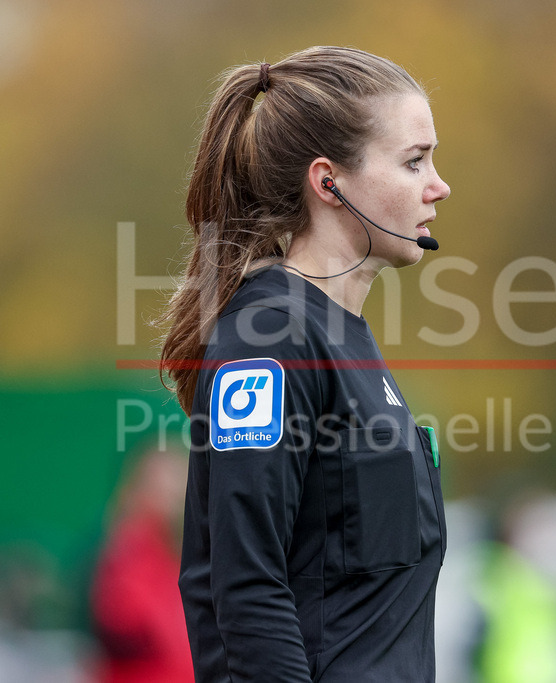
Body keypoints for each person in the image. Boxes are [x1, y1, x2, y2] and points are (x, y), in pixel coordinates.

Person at [159, 46, 450, 681]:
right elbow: (246, 591)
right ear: (328, 183)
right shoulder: (271, 339)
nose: (438, 185)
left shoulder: (343, 337)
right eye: (414, 162)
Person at [90, 444, 193, 683]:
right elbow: (130, 619)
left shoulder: (179, 553)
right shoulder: (130, 552)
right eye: (164, 489)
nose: (175, 498)